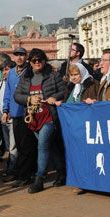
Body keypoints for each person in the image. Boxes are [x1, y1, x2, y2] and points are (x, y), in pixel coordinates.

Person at [13, 48, 67, 193]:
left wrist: (54, 97)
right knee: (51, 146)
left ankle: (39, 179)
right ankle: (62, 172)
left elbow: (64, 90)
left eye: (40, 60)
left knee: (42, 145)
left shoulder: (52, 75)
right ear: (30, 62)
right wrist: (29, 98)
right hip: (33, 118)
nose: (37, 63)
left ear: (44, 60)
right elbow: (17, 95)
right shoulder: (25, 78)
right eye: (34, 60)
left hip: (49, 116)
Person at [2, 47, 36, 188]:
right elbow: (8, 92)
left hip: (29, 114)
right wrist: (5, 110)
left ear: (26, 56)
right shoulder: (11, 73)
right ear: (13, 58)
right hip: (15, 114)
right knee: (20, 147)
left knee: (28, 146)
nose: (19, 58)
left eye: (22, 55)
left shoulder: (30, 71)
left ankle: (27, 175)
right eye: (17, 55)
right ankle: (24, 174)